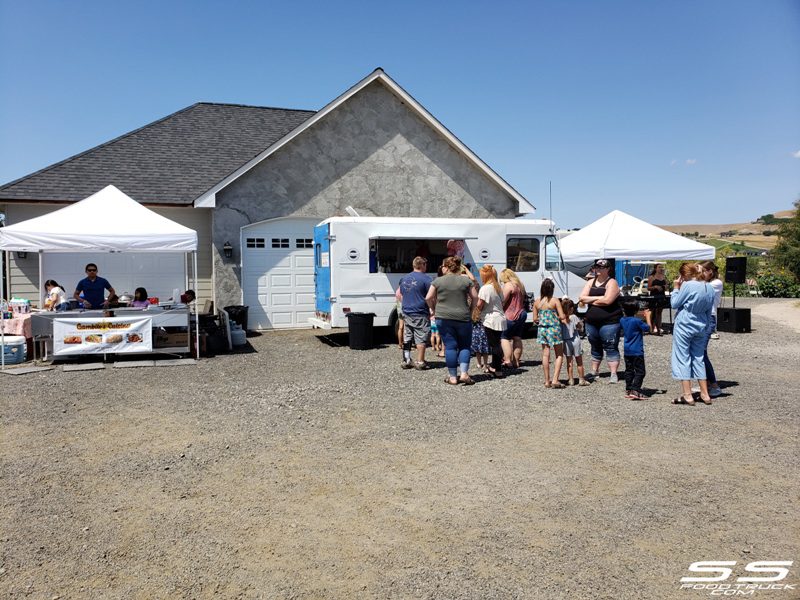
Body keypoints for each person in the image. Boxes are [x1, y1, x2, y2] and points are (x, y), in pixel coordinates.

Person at [426, 256, 478, 385]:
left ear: (446, 267)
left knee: (450, 346)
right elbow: (475, 298)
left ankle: (453, 377)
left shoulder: (438, 281)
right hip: (463, 316)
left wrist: (433, 309)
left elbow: (428, 297)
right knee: (465, 346)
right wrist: (471, 310)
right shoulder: (466, 281)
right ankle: (464, 374)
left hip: (443, 317)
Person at [670, 262, 715, 406]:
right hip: (701, 324)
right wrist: (706, 325)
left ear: (684, 275)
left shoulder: (688, 285)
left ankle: (687, 395)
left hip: (685, 323)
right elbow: (709, 311)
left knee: (682, 357)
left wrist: (676, 289)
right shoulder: (709, 287)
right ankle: (705, 393)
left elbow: (675, 303)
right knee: (698, 357)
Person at [579, 259, 623, 383]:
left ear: (608, 269)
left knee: (610, 346)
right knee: (594, 345)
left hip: (610, 321)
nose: (598, 269)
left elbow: (608, 301)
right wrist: (600, 298)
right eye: (596, 267)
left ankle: (613, 373)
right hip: (592, 321)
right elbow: (581, 298)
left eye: (601, 267)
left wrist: (590, 299)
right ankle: (594, 371)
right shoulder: (591, 281)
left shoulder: (612, 282)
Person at [398, 257, 432, 370]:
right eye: (425, 264)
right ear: (422, 265)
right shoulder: (427, 279)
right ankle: (420, 361)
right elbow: (431, 296)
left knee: (408, 336)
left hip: (406, 311)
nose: (426, 266)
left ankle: (407, 360)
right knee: (421, 336)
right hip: (420, 311)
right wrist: (433, 309)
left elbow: (400, 294)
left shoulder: (404, 278)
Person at [532, 278, 567, 388]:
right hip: (554, 329)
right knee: (559, 354)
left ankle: (547, 381)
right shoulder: (555, 300)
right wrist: (556, 316)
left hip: (543, 329)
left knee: (545, 354)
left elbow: (535, 319)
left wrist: (543, 318)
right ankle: (555, 379)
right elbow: (562, 316)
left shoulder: (537, 302)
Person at [473, 265, 507, 379]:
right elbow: (502, 302)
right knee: (497, 343)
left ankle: (497, 369)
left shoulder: (485, 288)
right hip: (500, 317)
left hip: (490, 319)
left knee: (495, 345)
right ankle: (497, 367)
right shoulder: (497, 287)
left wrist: (475, 311)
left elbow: (479, 305)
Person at [699, 261, 724, 398]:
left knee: (701, 353)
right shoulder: (706, 282)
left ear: (710, 271)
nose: (700, 274)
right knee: (699, 353)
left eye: (703, 271)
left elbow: (701, 291)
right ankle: (707, 383)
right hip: (701, 317)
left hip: (709, 318)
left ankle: (714, 384)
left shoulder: (716, 283)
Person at [620, 302, 649, 400]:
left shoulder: (622, 320)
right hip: (637, 350)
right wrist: (647, 316)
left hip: (627, 350)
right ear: (636, 311)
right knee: (640, 371)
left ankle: (628, 389)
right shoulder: (637, 321)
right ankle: (635, 389)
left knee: (629, 370)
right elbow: (647, 328)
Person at [499, 268, 527, 369]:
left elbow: (503, 301)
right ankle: (516, 361)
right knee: (517, 337)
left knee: (504, 337)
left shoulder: (508, 285)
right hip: (522, 313)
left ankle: (507, 360)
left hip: (510, 315)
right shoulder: (520, 285)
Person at [561, 298, 589, 386]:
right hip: (575, 340)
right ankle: (581, 379)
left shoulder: (561, 318)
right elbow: (579, 327)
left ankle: (571, 379)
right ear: (572, 308)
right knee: (579, 361)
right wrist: (581, 325)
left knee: (569, 361)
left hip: (566, 342)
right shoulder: (574, 317)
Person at [644, 263, 668, 335]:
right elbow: (648, 288)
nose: (661, 269)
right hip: (654, 296)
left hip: (661, 296)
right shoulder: (652, 277)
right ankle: (651, 327)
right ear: (655, 269)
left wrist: (664, 286)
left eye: (662, 267)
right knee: (652, 311)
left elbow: (667, 285)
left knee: (659, 312)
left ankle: (658, 328)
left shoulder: (664, 276)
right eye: (659, 267)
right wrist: (655, 287)